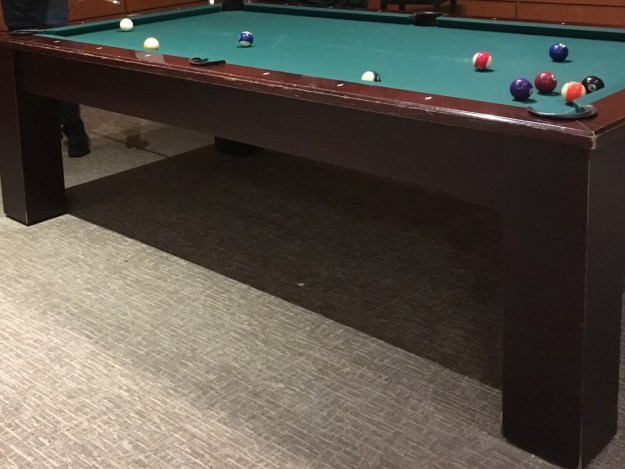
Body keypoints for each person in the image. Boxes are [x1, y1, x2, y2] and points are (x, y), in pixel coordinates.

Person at [1, 0, 90, 157]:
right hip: (19, 14)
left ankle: (71, 128)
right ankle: (50, 127)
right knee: (31, 73)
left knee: (57, 73)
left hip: (48, 13)